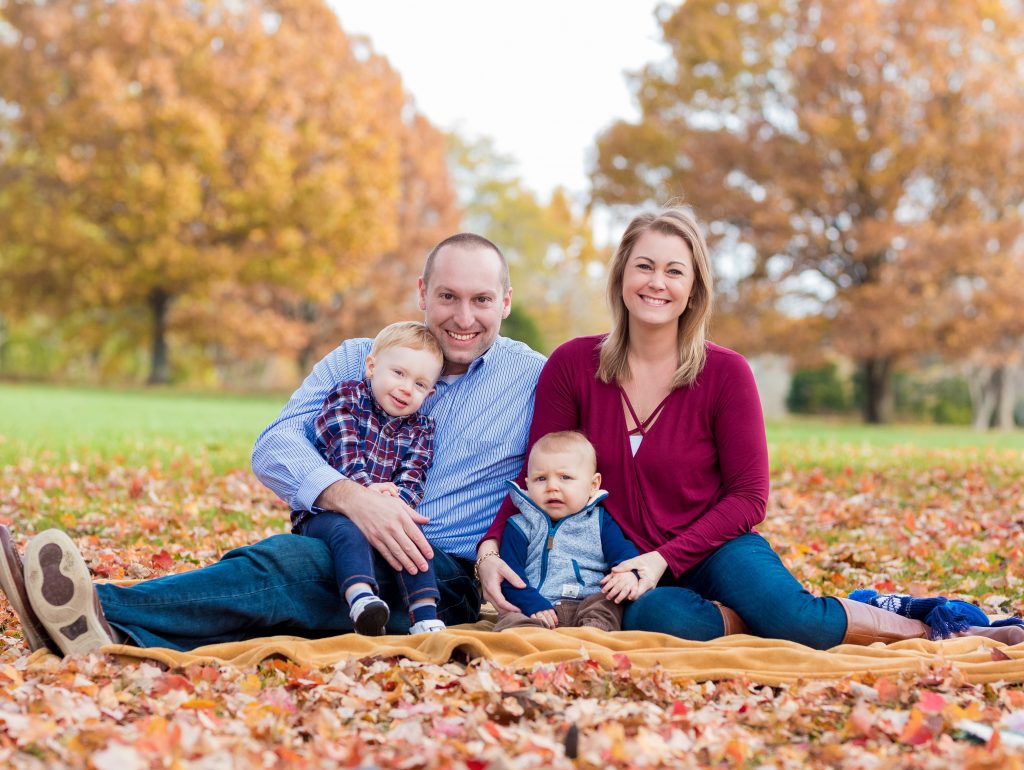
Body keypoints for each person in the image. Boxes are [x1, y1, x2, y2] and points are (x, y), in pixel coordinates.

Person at [476, 207, 1024, 649]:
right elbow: (536, 474)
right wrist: (492, 549)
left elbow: (749, 497)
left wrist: (664, 557)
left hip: (715, 544)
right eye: (644, 266)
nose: (656, 283)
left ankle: (929, 626)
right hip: (616, 560)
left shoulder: (726, 372)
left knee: (799, 622)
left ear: (694, 288)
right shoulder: (573, 365)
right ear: (622, 274)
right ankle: (744, 618)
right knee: (661, 619)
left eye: (674, 271)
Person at [0, 233, 546, 654]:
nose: (464, 317)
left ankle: (93, 607)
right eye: (448, 296)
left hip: (440, 574)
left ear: (505, 302)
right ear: (423, 292)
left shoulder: (533, 378)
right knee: (297, 574)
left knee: (289, 568)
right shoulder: (361, 356)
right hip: (342, 536)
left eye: (481, 299)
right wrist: (351, 498)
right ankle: (98, 628)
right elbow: (276, 443)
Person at [300, 321, 446, 636]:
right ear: (372, 366)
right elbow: (343, 448)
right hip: (329, 513)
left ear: (430, 392)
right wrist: (367, 492)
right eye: (399, 374)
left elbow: (414, 474)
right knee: (348, 532)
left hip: (386, 508)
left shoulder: (422, 428)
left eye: (420, 385)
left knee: (413, 537)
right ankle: (362, 601)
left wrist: (397, 505)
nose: (407, 388)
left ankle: (424, 615)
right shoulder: (347, 398)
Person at [493, 431, 649, 633]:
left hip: (587, 602)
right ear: (528, 485)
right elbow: (510, 575)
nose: (552, 487)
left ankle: (593, 637)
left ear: (593, 485)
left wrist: (629, 574)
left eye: (565, 477)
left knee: (607, 604)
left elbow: (624, 556)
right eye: (541, 478)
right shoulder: (520, 526)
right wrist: (531, 604)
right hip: (537, 607)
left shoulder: (600, 522)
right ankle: (527, 643)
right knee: (510, 617)